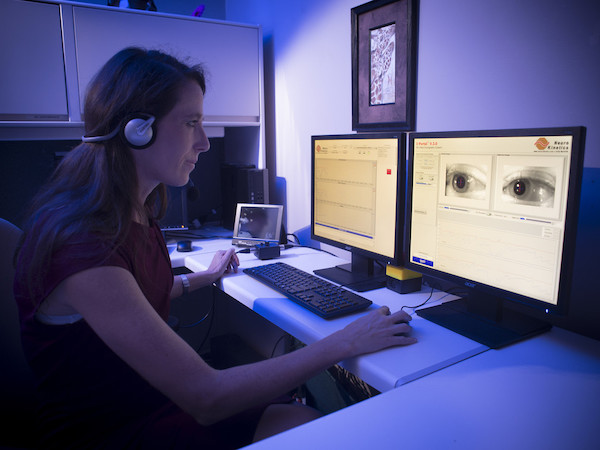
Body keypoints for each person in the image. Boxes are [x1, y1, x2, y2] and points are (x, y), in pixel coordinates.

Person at [13, 47, 417, 449]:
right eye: (191, 123)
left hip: (145, 398)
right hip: (105, 431)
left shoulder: (132, 210)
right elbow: (207, 397)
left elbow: (128, 298)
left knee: (300, 416)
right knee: (310, 427)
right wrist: (344, 341)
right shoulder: (84, 244)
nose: (205, 142)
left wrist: (202, 278)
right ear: (139, 129)